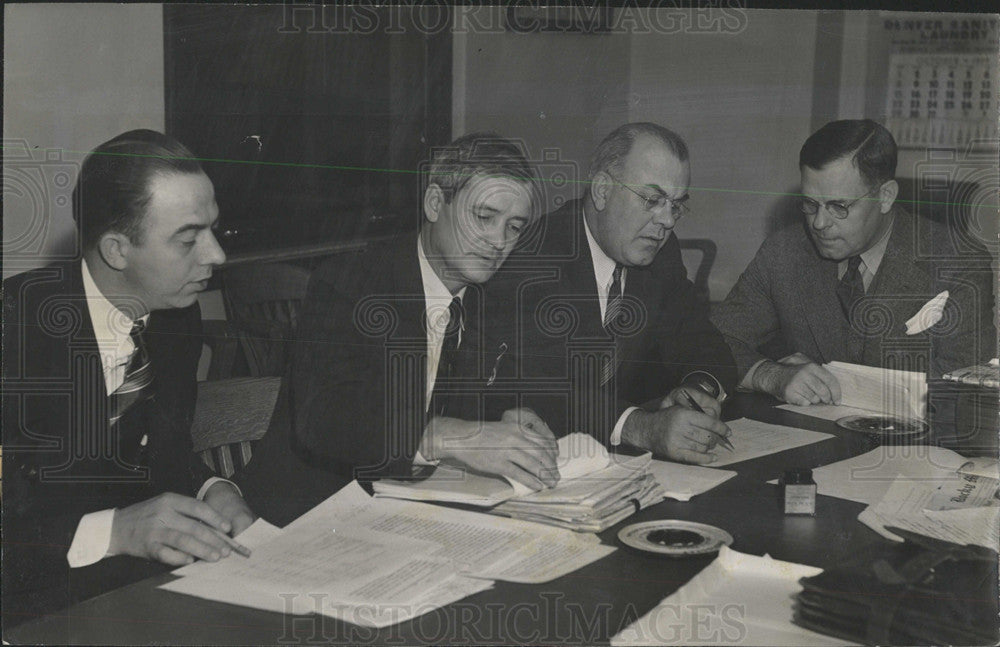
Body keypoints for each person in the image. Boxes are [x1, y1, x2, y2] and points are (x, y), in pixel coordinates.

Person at [2, 130, 257, 624]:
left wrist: (212, 490)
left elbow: (156, 451)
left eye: (214, 230)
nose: (216, 256)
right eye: (189, 239)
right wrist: (115, 531)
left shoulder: (176, 319)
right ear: (117, 250)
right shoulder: (14, 331)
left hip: (133, 597)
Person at [285, 133, 559, 493]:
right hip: (324, 503)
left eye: (514, 227)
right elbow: (323, 419)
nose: (498, 241)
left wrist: (509, 413)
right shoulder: (350, 282)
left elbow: (465, 393)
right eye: (484, 216)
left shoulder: (492, 298)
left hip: (425, 501)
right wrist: (445, 436)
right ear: (434, 203)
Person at [488, 122, 738, 465]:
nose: (666, 221)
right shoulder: (535, 257)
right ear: (603, 190)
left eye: (676, 205)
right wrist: (641, 426)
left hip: (621, 467)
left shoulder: (660, 253)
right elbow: (539, 390)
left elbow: (701, 340)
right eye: (652, 200)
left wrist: (697, 390)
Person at [711, 119, 996, 406]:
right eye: (810, 204)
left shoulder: (958, 263)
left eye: (838, 206)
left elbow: (964, 387)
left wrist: (839, 383)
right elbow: (712, 342)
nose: (819, 223)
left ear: (885, 197)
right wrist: (772, 375)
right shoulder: (784, 253)